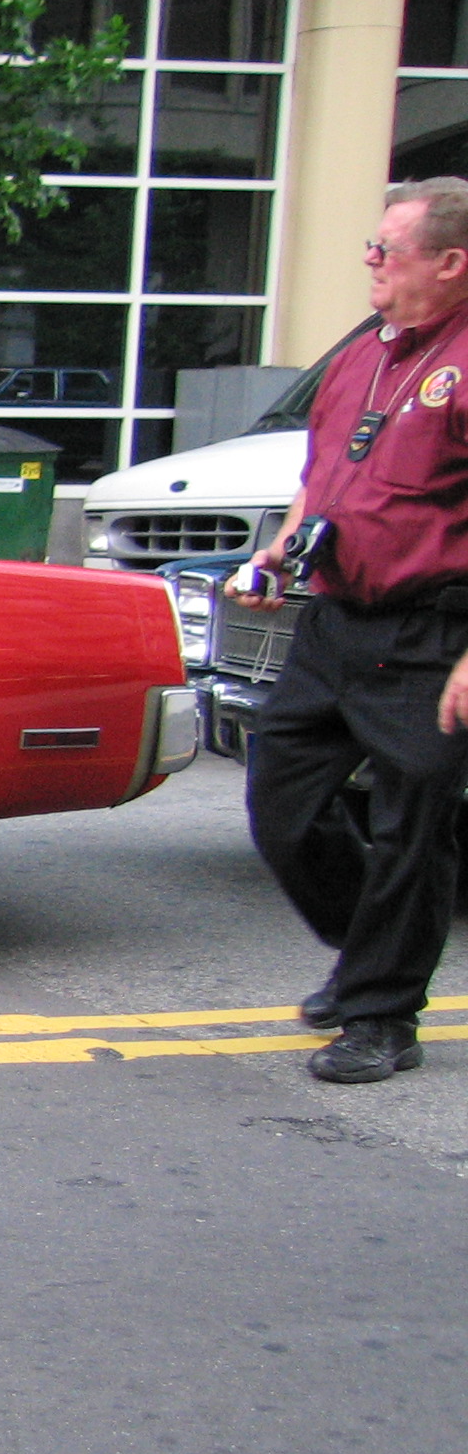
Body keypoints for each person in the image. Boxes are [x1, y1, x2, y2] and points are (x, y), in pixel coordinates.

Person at [237, 174, 468, 1083]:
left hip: (431, 634)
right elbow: (323, 480)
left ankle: (382, 1014)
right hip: (336, 622)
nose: (369, 259)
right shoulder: (361, 353)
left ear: (450, 263)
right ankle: (371, 949)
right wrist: (280, 553)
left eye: (387, 248)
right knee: (282, 805)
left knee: (414, 829)